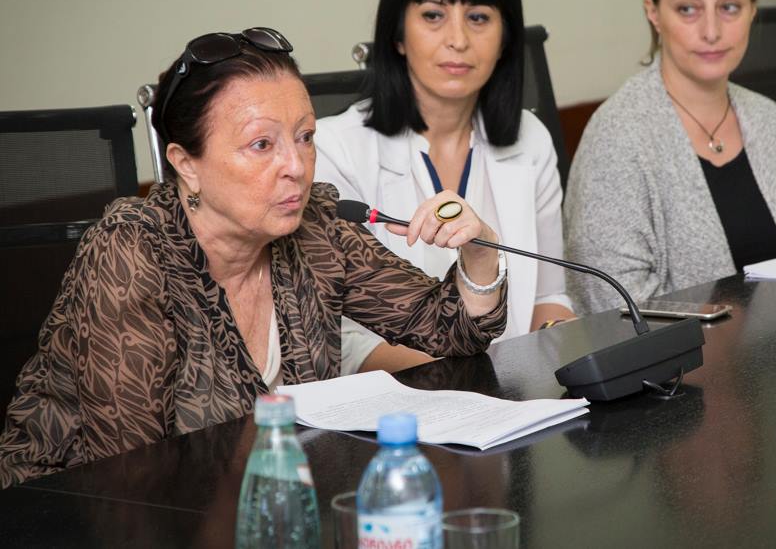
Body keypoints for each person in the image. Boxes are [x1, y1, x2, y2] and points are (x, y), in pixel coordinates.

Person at [0, 29, 507, 487]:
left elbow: (451, 330)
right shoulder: (131, 252)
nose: (296, 166)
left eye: (305, 137)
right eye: (262, 144)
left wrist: (478, 247)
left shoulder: (315, 225)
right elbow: (135, 474)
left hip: (265, 499)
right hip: (74, 515)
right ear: (186, 164)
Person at [315, 0, 574, 375]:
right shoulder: (335, 149)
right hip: (403, 400)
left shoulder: (530, 138)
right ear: (398, 35)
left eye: (479, 17)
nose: (458, 39)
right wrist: (471, 388)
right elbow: (344, 338)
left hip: (520, 394)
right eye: (433, 15)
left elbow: (549, 296)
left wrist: (564, 360)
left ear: (505, 38)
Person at [563, 0, 776, 314]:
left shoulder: (773, 122)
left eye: (729, 7)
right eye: (687, 9)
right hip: (680, 357)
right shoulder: (617, 135)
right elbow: (613, 308)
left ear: (752, 9)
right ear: (653, 12)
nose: (711, 31)